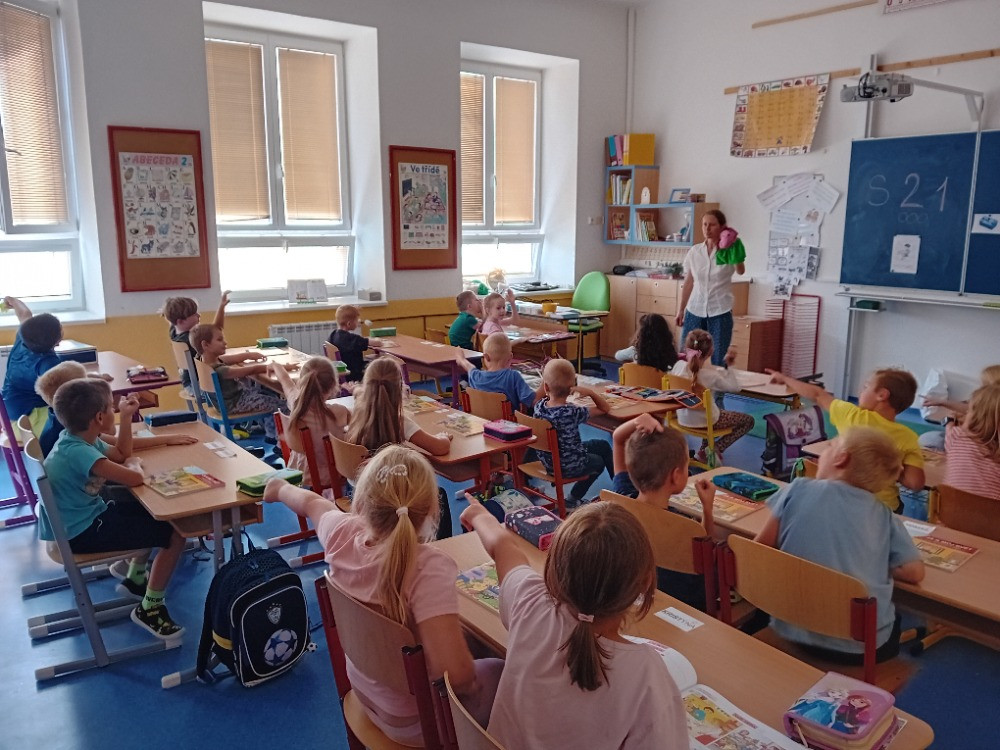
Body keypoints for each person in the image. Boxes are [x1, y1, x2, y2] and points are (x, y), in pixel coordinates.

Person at [263, 446, 501, 745]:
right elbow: (457, 676)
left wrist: (279, 488)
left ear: (361, 501)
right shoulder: (428, 568)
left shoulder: (340, 532)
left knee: (472, 645)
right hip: (420, 721)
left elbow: (310, 501)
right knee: (506, 669)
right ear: (433, 510)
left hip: (364, 696)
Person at [460, 498, 688, 749]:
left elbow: (503, 547)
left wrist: (479, 515)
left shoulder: (531, 603)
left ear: (553, 571)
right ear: (645, 583)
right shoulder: (647, 676)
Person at [754, 427, 925, 662]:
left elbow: (760, 548)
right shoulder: (884, 515)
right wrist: (870, 559)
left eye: (829, 446)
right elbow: (914, 572)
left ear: (841, 458)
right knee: (894, 618)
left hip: (791, 627)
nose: (823, 452)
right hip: (859, 648)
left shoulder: (798, 488)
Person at [43, 379, 188, 638]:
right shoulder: (81, 452)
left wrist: (127, 417)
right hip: (80, 533)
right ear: (99, 417)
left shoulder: (76, 439)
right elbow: (134, 477)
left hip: (81, 520)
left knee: (148, 513)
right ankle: (150, 609)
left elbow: (121, 453)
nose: (115, 410)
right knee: (175, 534)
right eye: (112, 408)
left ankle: (135, 578)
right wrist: (134, 464)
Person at [768, 367, 924, 513]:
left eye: (866, 387)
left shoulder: (853, 416)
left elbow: (817, 394)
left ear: (882, 395)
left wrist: (785, 379)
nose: (861, 391)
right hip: (884, 509)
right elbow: (915, 483)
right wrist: (889, 466)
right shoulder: (908, 436)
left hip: (843, 503)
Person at [610, 412, 715, 609]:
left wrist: (639, 420)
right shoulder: (684, 527)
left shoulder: (621, 496)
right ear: (676, 476)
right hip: (684, 603)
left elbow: (617, 439)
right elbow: (705, 557)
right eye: (687, 465)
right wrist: (707, 509)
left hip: (635, 592)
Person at [344, 356, 454, 536]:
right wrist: (443, 437)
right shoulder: (399, 421)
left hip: (359, 487)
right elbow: (440, 448)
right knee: (438, 494)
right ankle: (442, 544)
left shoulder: (357, 414)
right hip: (389, 490)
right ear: (399, 388)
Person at [35, 361, 197, 457]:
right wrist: (167, 439)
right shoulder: (76, 428)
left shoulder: (62, 417)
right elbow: (120, 447)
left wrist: (98, 377)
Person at [188, 323, 291, 440]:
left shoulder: (205, 362)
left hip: (229, 402)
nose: (225, 342)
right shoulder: (220, 370)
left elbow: (235, 358)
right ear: (205, 345)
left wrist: (249, 355)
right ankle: (280, 441)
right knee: (283, 406)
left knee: (270, 394)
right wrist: (279, 367)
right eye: (220, 340)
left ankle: (271, 433)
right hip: (235, 404)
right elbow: (252, 370)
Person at [534, 358, 612, 507]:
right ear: (573, 387)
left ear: (546, 387)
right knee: (599, 461)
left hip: (549, 462)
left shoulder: (539, 407)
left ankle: (621, 492)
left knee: (602, 445)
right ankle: (573, 498)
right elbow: (605, 408)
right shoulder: (572, 412)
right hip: (569, 465)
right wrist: (590, 393)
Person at [670, 328, 754, 463]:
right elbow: (735, 387)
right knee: (748, 420)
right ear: (711, 352)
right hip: (706, 421)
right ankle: (713, 449)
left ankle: (703, 452)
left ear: (686, 348)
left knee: (710, 411)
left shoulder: (678, 366)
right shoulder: (711, 376)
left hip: (682, 418)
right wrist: (730, 366)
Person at [674, 209, 745, 366]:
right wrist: (681, 310)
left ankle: (718, 384)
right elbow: (689, 282)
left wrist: (734, 249)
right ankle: (685, 382)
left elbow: (740, 271)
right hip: (695, 308)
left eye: (712, 225)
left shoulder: (728, 251)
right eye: (704, 224)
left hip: (720, 310)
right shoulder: (695, 251)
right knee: (686, 355)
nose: (707, 229)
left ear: (722, 227)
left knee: (719, 358)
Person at [269, 357, 350, 489]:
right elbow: (361, 421)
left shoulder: (296, 404)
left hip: (300, 472)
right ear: (333, 386)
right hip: (330, 475)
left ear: (302, 381)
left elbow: (286, 381)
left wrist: (275, 366)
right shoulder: (339, 412)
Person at [1, 296, 65, 431]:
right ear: (57, 339)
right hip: (30, 419)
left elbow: (25, 314)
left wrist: (13, 301)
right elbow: (63, 393)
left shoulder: (23, 339)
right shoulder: (48, 362)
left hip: (7, 415)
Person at [456, 332, 543, 414]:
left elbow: (469, 367)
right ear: (510, 357)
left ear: (486, 357)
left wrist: (461, 359)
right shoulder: (513, 377)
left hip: (482, 422)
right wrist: (545, 380)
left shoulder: (476, 377)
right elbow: (533, 401)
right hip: (508, 424)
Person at [161, 290, 230, 390]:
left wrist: (222, 306)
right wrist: (222, 307)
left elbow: (215, 329)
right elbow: (216, 329)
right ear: (180, 321)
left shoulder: (174, 332)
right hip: (200, 385)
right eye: (194, 314)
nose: (199, 315)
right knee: (240, 379)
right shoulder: (191, 339)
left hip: (189, 384)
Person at [919, 364, 1000, 450]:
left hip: (975, 446)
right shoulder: (990, 404)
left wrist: (950, 422)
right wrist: (941, 402)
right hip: (978, 444)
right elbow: (968, 408)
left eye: (983, 384)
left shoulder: (988, 409)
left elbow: (957, 434)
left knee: (928, 439)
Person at [943, 384, 1000, 499]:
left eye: (969, 411)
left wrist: (950, 419)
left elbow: (950, 428)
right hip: (990, 510)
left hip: (949, 508)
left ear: (974, 416)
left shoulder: (957, 436)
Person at [614, 313, 680, 373]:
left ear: (641, 334)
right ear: (666, 335)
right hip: (659, 382)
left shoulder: (634, 351)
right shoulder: (669, 354)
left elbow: (617, 356)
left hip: (638, 382)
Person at [327, 304, 371, 383]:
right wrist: (379, 341)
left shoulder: (333, 334)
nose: (358, 322)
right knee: (379, 366)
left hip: (343, 372)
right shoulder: (351, 339)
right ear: (349, 324)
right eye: (357, 320)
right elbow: (373, 343)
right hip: (353, 374)